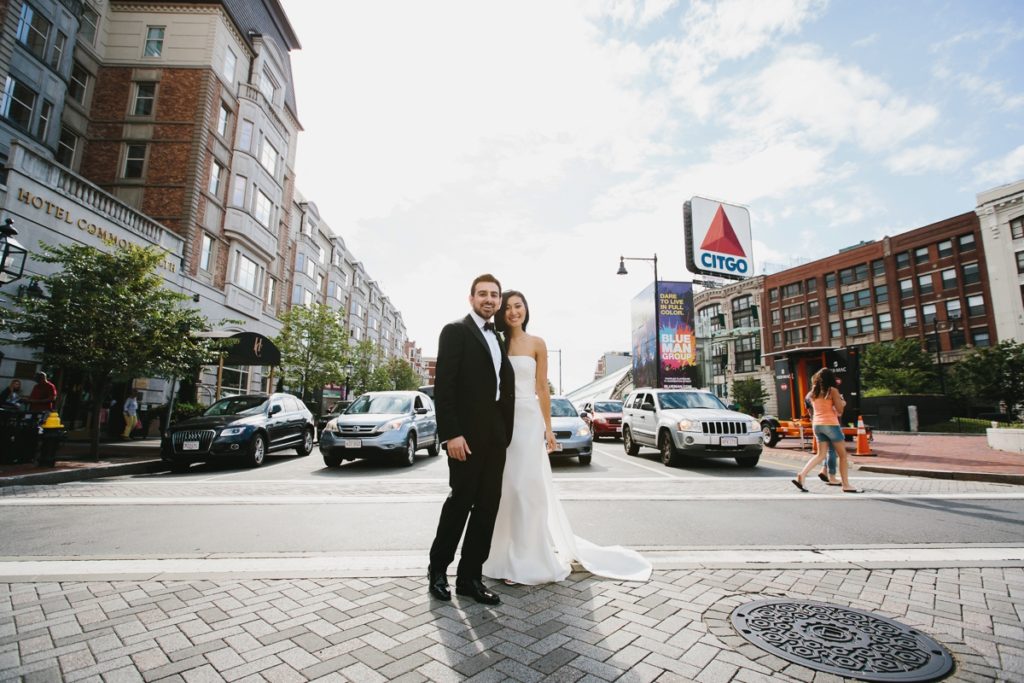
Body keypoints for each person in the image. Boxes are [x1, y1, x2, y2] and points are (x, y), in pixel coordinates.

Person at [483, 290, 652, 585]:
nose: (513, 312)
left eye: (518, 306)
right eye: (507, 307)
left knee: (527, 490)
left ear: (526, 309)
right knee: (506, 490)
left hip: (528, 420)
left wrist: (548, 429)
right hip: (500, 422)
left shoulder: (537, 343)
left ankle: (527, 558)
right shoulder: (496, 343)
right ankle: (501, 556)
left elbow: (542, 389)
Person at [428, 274, 515, 605]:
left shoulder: (499, 338)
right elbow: (444, 387)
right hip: (464, 437)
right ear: (471, 298)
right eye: (483, 294)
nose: (489, 299)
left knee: (488, 506)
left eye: (494, 294)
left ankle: (470, 578)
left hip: (495, 436)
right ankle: (437, 571)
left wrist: (505, 431)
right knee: (460, 502)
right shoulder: (455, 331)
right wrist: (451, 433)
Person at [793, 368, 861, 493]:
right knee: (843, 456)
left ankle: (801, 475)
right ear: (831, 379)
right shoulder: (832, 391)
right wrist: (842, 402)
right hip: (830, 424)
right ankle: (846, 485)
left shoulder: (813, 392)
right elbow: (839, 411)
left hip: (817, 425)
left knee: (820, 455)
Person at [805, 390, 840, 486]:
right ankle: (832, 476)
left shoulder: (810, 395)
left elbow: (809, 410)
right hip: (830, 423)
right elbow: (839, 409)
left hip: (816, 423)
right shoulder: (828, 392)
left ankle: (823, 470)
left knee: (823, 453)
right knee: (832, 451)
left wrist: (813, 419)